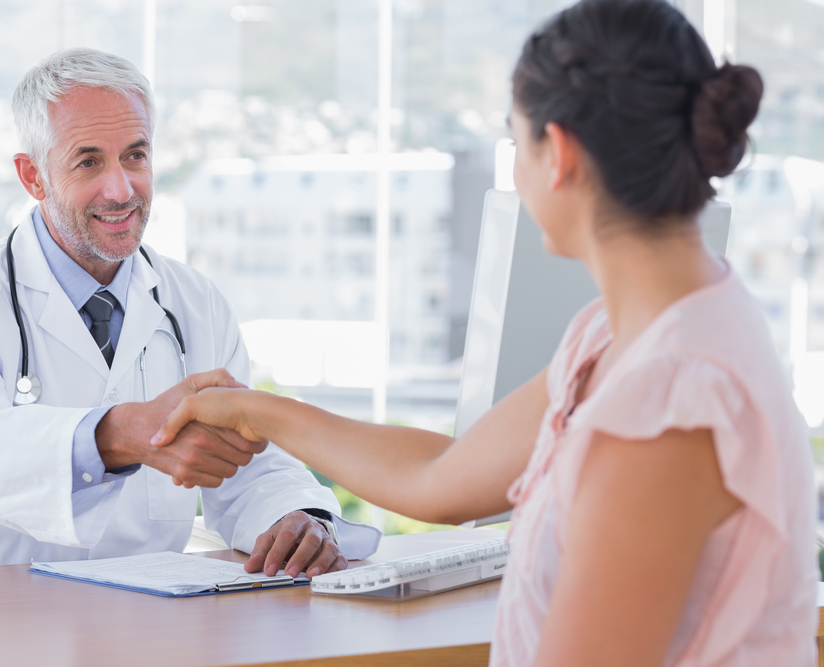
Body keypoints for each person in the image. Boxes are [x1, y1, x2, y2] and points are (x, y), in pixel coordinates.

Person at [152, 1, 817, 664]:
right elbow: (441, 475)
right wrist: (252, 410)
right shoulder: (623, 334)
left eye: (514, 140)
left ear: (556, 153)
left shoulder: (673, 403)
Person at [0, 48, 379, 574]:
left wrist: (298, 516)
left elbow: (249, 464)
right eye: (88, 161)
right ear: (33, 176)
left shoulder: (196, 302)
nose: (122, 189)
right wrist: (118, 434)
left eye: (135, 155)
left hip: (142, 614)